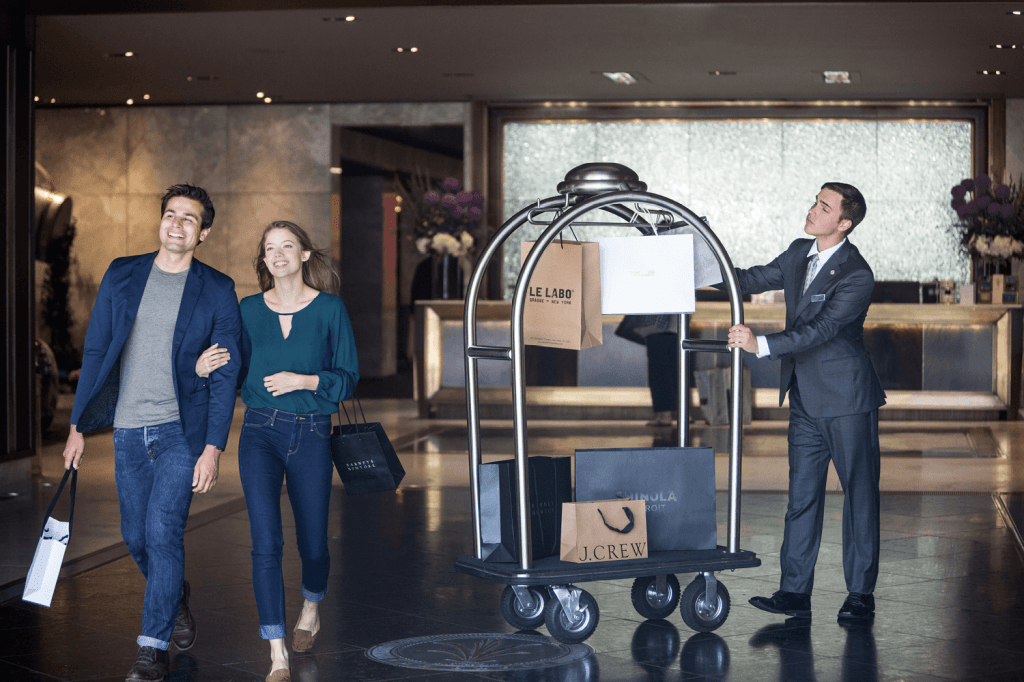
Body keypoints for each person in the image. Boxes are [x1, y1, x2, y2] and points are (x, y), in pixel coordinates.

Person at [63, 184, 242, 682]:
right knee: (135, 536)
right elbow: (96, 350)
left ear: (203, 233)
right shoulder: (122, 273)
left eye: (190, 219)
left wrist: (212, 448)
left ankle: (151, 648)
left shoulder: (217, 288)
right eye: (171, 214)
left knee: (163, 532)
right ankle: (174, 595)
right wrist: (77, 426)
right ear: (160, 221)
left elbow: (226, 370)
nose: (177, 224)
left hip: (181, 431)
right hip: (126, 430)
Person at [197, 220, 358, 682]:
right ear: (264, 259)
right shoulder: (248, 309)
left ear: (304, 254)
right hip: (259, 433)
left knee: (314, 544)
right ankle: (277, 654)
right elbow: (232, 366)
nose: (279, 254)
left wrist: (303, 381)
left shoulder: (330, 309)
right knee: (265, 542)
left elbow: (347, 378)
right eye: (270, 248)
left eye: (288, 246)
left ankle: (311, 606)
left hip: (312, 433)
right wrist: (202, 365)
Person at [726, 182, 885, 622]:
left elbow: (821, 330)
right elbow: (747, 279)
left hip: (848, 399)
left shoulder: (857, 274)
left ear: (844, 223)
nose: (813, 210)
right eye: (815, 202)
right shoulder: (800, 252)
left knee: (859, 496)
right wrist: (696, 259)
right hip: (805, 399)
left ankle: (860, 594)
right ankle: (794, 592)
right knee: (801, 498)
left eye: (824, 206)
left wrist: (759, 344)